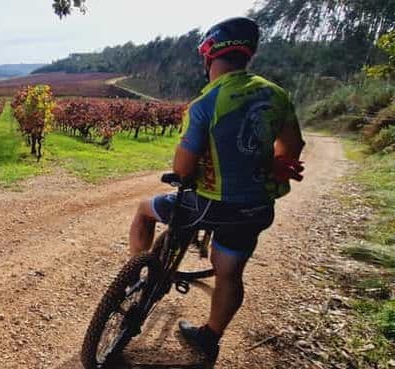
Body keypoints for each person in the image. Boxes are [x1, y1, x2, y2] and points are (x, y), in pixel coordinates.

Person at [127, 17, 306, 363]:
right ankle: (210, 337)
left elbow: (182, 169)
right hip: (255, 208)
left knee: (144, 208)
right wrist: (263, 166)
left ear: (209, 54)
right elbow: (292, 145)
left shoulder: (206, 104)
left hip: (210, 205)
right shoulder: (276, 95)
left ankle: (136, 271)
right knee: (229, 272)